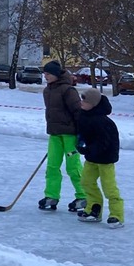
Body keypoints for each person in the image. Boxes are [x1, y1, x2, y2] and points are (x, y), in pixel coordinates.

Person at [39, 60, 86, 212]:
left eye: (48, 74)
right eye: (44, 73)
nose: (45, 76)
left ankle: (83, 195)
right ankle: (51, 195)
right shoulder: (48, 90)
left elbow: (78, 112)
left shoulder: (68, 90)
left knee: (73, 167)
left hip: (70, 135)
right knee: (52, 166)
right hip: (54, 134)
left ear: (56, 74)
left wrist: (82, 133)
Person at [75, 88, 124, 227]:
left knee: (109, 187)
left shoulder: (103, 121)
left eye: (85, 100)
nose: (81, 102)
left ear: (94, 104)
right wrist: (80, 143)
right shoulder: (84, 116)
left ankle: (117, 215)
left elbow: (103, 142)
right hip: (92, 157)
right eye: (81, 99)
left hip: (105, 159)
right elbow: (83, 133)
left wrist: (89, 150)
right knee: (86, 182)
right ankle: (94, 209)